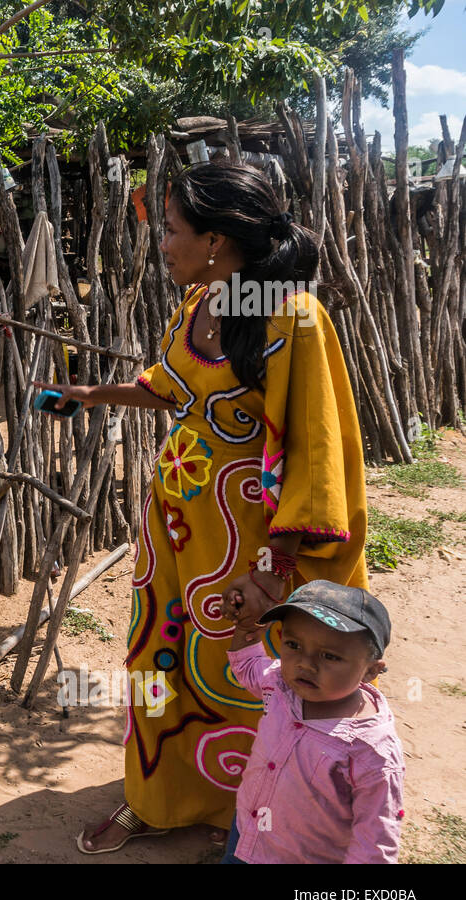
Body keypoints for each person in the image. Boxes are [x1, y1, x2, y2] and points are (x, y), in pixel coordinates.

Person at [38, 158, 369, 854]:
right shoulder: (199, 304)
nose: (162, 244)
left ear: (216, 239)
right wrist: (94, 395)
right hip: (176, 541)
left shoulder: (294, 322)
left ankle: (256, 823)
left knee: (249, 677)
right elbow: (171, 387)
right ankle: (159, 798)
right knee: (161, 663)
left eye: (172, 229)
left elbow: (317, 453)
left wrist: (273, 573)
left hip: (249, 553)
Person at [221, 580, 404, 863]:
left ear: (370, 671)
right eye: (293, 644)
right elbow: (247, 666)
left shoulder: (372, 750)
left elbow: (374, 841)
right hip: (248, 829)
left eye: (329, 655)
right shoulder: (280, 685)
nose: (305, 664)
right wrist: (246, 629)